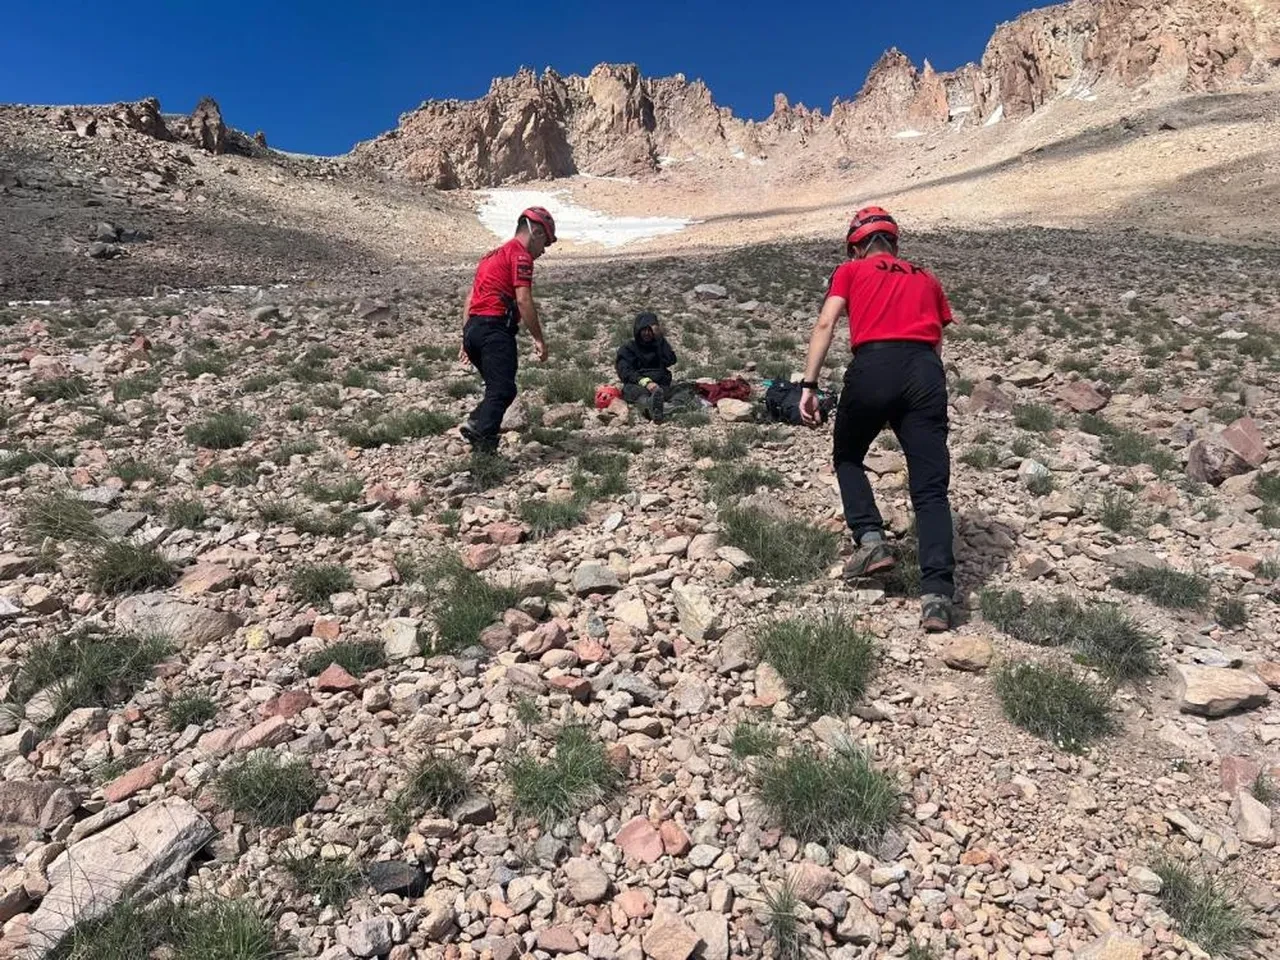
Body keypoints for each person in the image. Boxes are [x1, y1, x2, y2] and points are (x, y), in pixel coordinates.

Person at [798, 206, 957, 631]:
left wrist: (809, 385)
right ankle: (937, 597)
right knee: (930, 489)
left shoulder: (850, 271)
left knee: (848, 455)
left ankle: (870, 539)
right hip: (924, 371)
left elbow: (826, 323)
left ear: (856, 246)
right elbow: (937, 342)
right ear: (894, 244)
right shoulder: (926, 277)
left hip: (873, 365)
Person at [457, 206, 556, 452]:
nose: (543, 250)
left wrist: (465, 338)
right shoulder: (520, 256)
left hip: (474, 330)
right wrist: (539, 338)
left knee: (498, 388)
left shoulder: (490, 256)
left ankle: (476, 421)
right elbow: (523, 299)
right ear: (537, 232)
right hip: (495, 330)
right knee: (503, 389)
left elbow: (470, 298)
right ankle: (484, 446)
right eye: (545, 242)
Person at [615, 312, 677, 422]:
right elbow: (625, 372)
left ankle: (673, 408)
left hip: (660, 385)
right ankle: (651, 408)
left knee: (682, 390)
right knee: (635, 393)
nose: (647, 333)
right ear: (638, 330)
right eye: (644, 330)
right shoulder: (628, 348)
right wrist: (646, 383)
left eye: (650, 330)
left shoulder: (658, 346)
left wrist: (660, 338)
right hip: (639, 385)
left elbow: (671, 360)